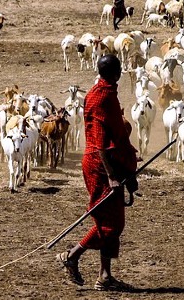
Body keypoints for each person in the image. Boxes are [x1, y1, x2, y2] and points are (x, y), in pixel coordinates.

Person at [57, 54, 138, 291]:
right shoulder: (104, 98)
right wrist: (112, 174)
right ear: (116, 73)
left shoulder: (97, 92)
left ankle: (104, 276)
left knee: (111, 220)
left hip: (107, 163)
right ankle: (72, 255)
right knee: (112, 225)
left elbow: (112, 136)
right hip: (101, 167)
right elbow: (101, 143)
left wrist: (125, 157)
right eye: (120, 69)